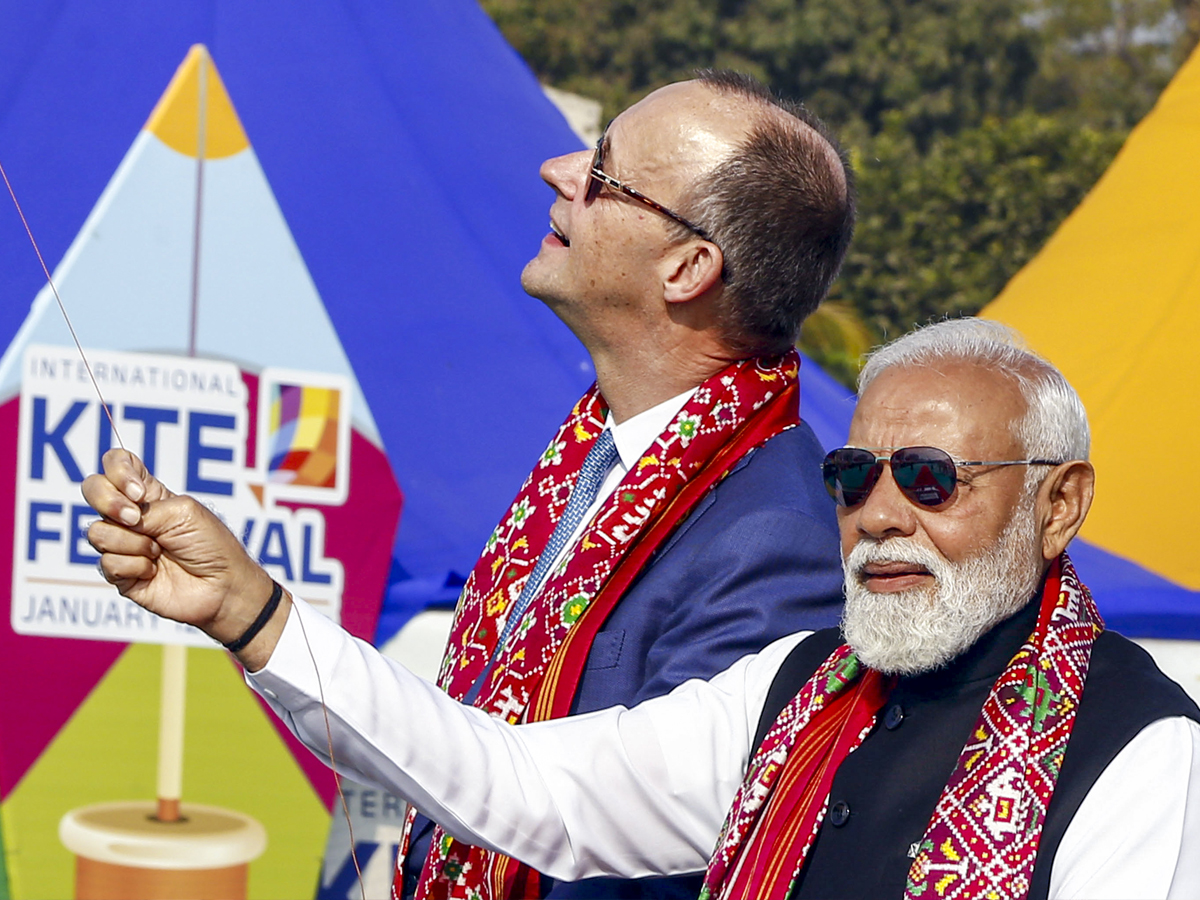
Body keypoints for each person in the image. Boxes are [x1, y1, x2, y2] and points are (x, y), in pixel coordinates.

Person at [84, 317, 1200, 900]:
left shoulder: (1140, 752)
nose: (882, 516)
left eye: (931, 479)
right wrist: (252, 612)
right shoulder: (797, 690)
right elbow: (517, 784)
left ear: (1059, 504)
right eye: (855, 476)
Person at [97, 69, 855, 900]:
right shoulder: (607, 454)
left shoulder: (775, 535)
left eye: (602, 175)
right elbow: (471, 753)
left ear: (686, 267)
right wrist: (243, 610)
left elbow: (611, 838)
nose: (557, 170)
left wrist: (256, 612)